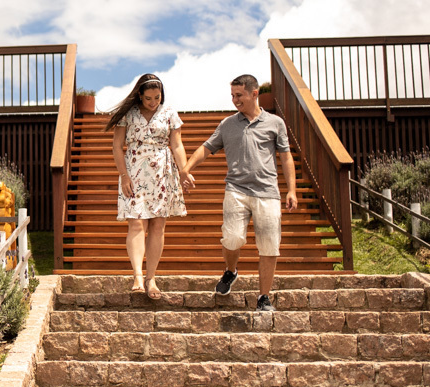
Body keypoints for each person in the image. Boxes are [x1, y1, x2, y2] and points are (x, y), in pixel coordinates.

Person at [181, 74, 297, 312]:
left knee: (269, 246)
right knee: (232, 238)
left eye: (239, 95)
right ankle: (231, 271)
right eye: (232, 95)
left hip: (267, 192)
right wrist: (186, 169)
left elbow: (286, 157)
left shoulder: (275, 123)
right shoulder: (227, 124)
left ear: (254, 94)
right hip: (236, 189)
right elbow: (206, 148)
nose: (234, 100)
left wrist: (292, 190)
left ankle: (264, 297)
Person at [107, 74, 190, 300]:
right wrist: (123, 176)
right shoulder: (128, 115)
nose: (153, 102)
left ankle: (151, 277)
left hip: (163, 172)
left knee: (158, 225)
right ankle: (137, 275)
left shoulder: (170, 113)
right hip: (134, 171)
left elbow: (177, 144)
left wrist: (184, 171)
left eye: (157, 97)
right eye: (148, 98)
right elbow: (117, 146)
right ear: (139, 96)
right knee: (136, 224)